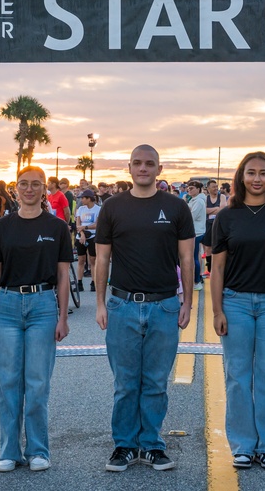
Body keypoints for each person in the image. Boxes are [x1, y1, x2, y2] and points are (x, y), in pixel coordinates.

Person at [94, 144, 194, 473]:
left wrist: (187, 302)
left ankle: (151, 444)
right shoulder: (111, 208)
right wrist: (100, 304)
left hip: (163, 305)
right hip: (122, 305)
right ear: (129, 167)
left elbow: (186, 259)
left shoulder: (177, 208)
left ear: (159, 169)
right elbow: (103, 259)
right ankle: (124, 445)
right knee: (125, 382)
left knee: (155, 382)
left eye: (149, 164)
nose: (143, 168)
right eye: (137, 163)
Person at [209, 152, 265, 470]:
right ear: (241, 176)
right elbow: (216, 268)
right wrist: (217, 310)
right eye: (251, 173)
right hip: (235, 302)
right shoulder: (226, 216)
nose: (257, 179)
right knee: (237, 376)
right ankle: (244, 446)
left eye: (263, 173)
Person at [0, 166, 73, 473]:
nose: (30, 189)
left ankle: (38, 449)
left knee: (37, 383)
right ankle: (9, 450)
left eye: (36, 184)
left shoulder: (57, 227)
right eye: (24, 184)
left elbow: (63, 275)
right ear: (15, 188)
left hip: (43, 306)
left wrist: (63, 316)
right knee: (8, 382)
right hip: (7, 307)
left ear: (45, 189)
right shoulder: (1, 227)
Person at [75, 189, 101, 291]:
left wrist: (85, 228)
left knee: (93, 260)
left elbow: (97, 225)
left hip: (92, 236)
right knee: (81, 260)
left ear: (89, 199)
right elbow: (78, 224)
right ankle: (79, 283)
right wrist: (81, 234)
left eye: (83, 198)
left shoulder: (98, 209)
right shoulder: (80, 209)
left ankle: (93, 282)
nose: (81, 200)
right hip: (81, 236)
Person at [202, 180, 228, 276]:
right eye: (213, 187)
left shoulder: (222, 197)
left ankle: (219, 268)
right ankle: (209, 269)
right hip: (208, 224)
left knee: (219, 247)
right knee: (208, 248)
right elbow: (204, 211)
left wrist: (211, 210)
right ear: (208, 189)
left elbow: (223, 210)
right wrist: (216, 209)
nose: (216, 188)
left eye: (216, 186)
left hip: (219, 224)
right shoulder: (206, 198)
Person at [185, 181, 207, 291]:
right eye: (188, 188)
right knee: (196, 257)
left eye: (192, 188)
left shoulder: (198, 201)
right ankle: (198, 279)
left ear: (198, 189)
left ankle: (197, 281)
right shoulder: (194, 200)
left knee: (194, 258)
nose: (189, 190)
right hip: (197, 231)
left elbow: (190, 217)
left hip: (196, 232)